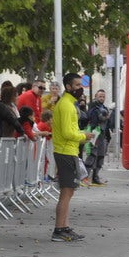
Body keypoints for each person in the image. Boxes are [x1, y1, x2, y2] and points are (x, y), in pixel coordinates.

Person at [51, 72, 95, 242]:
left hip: (69, 151)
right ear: (68, 87)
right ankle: (59, 229)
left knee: (69, 192)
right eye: (77, 85)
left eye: (80, 84)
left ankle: (65, 226)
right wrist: (84, 136)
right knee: (66, 191)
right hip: (65, 151)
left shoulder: (69, 104)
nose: (80, 88)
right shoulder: (67, 105)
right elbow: (68, 132)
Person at [84, 89, 113, 186]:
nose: (102, 98)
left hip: (103, 134)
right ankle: (85, 177)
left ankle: (95, 177)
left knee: (100, 156)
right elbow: (92, 118)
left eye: (103, 96)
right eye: (100, 96)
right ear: (96, 96)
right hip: (95, 133)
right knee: (92, 155)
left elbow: (108, 123)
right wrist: (104, 117)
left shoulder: (104, 107)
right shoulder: (93, 107)